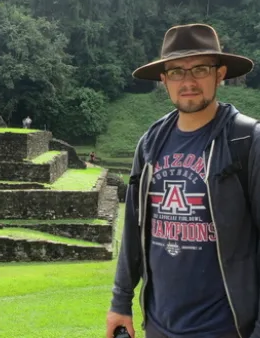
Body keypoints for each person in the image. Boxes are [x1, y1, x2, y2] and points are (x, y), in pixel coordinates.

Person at [106, 24, 258, 338]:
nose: (187, 81)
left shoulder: (246, 141)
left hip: (226, 328)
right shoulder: (150, 142)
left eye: (200, 69)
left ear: (220, 74)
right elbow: (134, 228)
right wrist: (121, 301)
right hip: (159, 326)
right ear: (164, 80)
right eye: (176, 72)